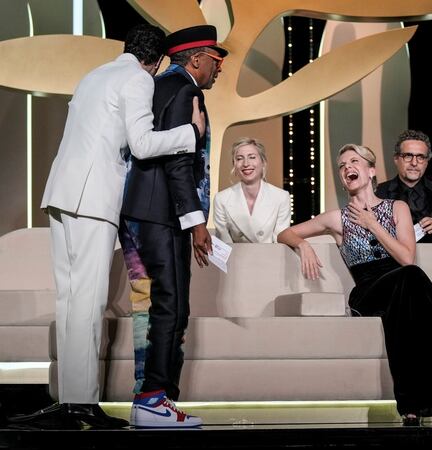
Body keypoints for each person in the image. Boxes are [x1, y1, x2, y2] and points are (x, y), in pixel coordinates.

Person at [13, 24, 205, 429]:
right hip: (93, 198)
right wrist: (191, 133)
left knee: (70, 301)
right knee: (88, 301)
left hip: (61, 192)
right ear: (154, 62)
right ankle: (80, 404)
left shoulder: (94, 75)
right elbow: (142, 143)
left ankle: (70, 400)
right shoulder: (137, 78)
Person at [277, 143, 432, 426]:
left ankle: (410, 407)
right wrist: (303, 246)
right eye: (343, 165)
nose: (348, 167)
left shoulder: (398, 208)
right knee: (412, 279)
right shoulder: (337, 217)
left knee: (404, 308)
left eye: (354, 161)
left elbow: (406, 257)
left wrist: (373, 224)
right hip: (367, 290)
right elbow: (284, 233)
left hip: (401, 284)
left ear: (371, 171)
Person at [121, 24, 227, 428]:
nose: (218, 70)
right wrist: (197, 222)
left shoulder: (157, 85)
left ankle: (152, 399)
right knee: (172, 306)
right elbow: (179, 163)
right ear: (197, 59)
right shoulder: (185, 90)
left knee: (155, 308)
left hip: (140, 213)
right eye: (215, 62)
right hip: (162, 214)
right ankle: (153, 400)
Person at [376, 130, 432, 243]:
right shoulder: (377, 193)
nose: (414, 163)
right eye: (408, 156)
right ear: (396, 159)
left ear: (427, 161)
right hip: (392, 260)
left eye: (420, 157)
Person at [214, 137, 291, 244]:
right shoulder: (221, 199)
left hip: (270, 258)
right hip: (236, 259)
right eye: (239, 158)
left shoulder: (281, 197)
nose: (246, 164)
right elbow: (225, 245)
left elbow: (280, 239)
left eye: (252, 157)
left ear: (263, 162)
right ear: (234, 165)